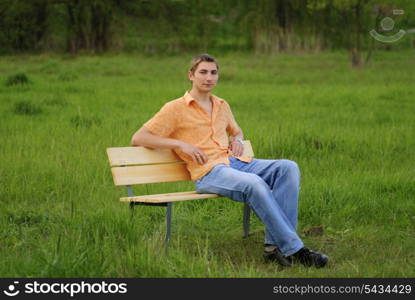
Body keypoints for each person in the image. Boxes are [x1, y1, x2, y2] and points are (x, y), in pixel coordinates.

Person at [131, 53, 328, 268]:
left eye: (213, 73)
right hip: (209, 172)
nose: (209, 77)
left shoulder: (221, 105)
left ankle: (274, 248)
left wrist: (238, 139)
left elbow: (237, 130)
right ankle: (296, 250)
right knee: (254, 183)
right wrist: (180, 145)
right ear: (191, 75)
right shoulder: (175, 108)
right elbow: (139, 138)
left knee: (288, 168)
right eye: (203, 72)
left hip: (236, 162)